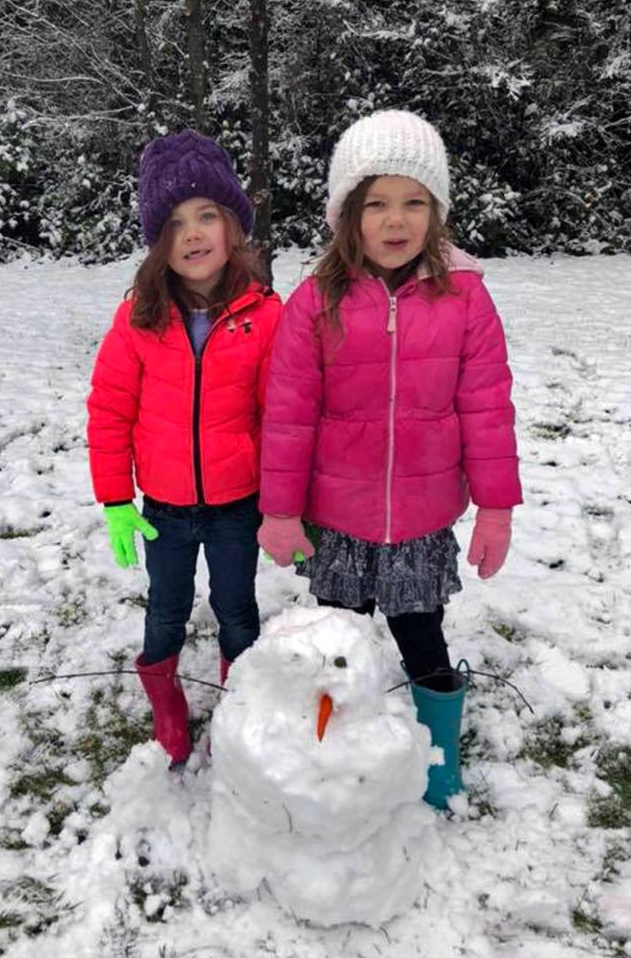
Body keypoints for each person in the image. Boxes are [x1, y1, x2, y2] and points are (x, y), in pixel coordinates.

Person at [258, 109, 522, 808]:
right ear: (348, 214)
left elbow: (488, 409)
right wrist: (281, 513)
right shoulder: (316, 301)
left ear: (436, 212)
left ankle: (438, 759)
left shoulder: (466, 299)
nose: (395, 220)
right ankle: (331, 753)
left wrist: (495, 509)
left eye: (414, 202)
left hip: (421, 521)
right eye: (376, 203)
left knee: (423, 639)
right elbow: (287, 416)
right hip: (337, 520)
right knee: (332, 645)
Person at [87, 130, 282, 766]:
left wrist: (285, 499)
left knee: (237, 609)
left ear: (232, 227)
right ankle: (168, 707)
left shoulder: (264, 314)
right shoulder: (139, 318)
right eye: (173, 223)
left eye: (206, 216)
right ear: (157, 243)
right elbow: (111, 411)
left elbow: (279, 414)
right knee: (165, 611)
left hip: (236, 504)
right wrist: (116, 499)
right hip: (162, 508)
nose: (192, 234)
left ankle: (240, 702)